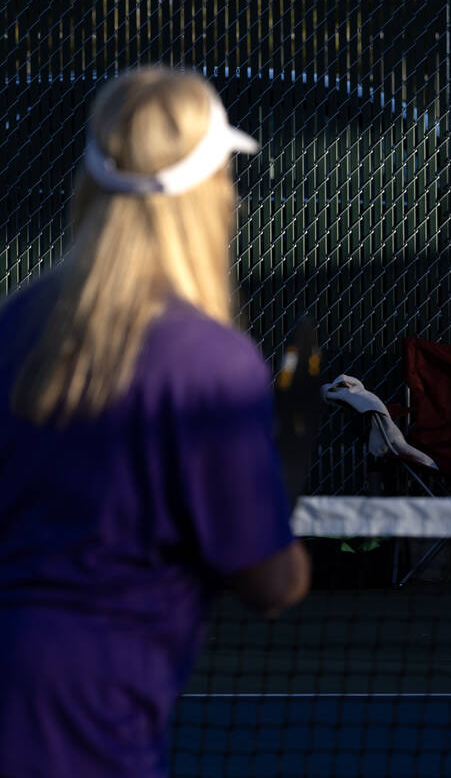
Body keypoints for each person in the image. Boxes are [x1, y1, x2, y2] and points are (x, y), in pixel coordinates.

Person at [0, 67, 310, 778]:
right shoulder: (213, 364)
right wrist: (282, 540)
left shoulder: (15, 323)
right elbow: (267, 583)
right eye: (225, 173)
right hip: (88, 717)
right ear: (205, 194)